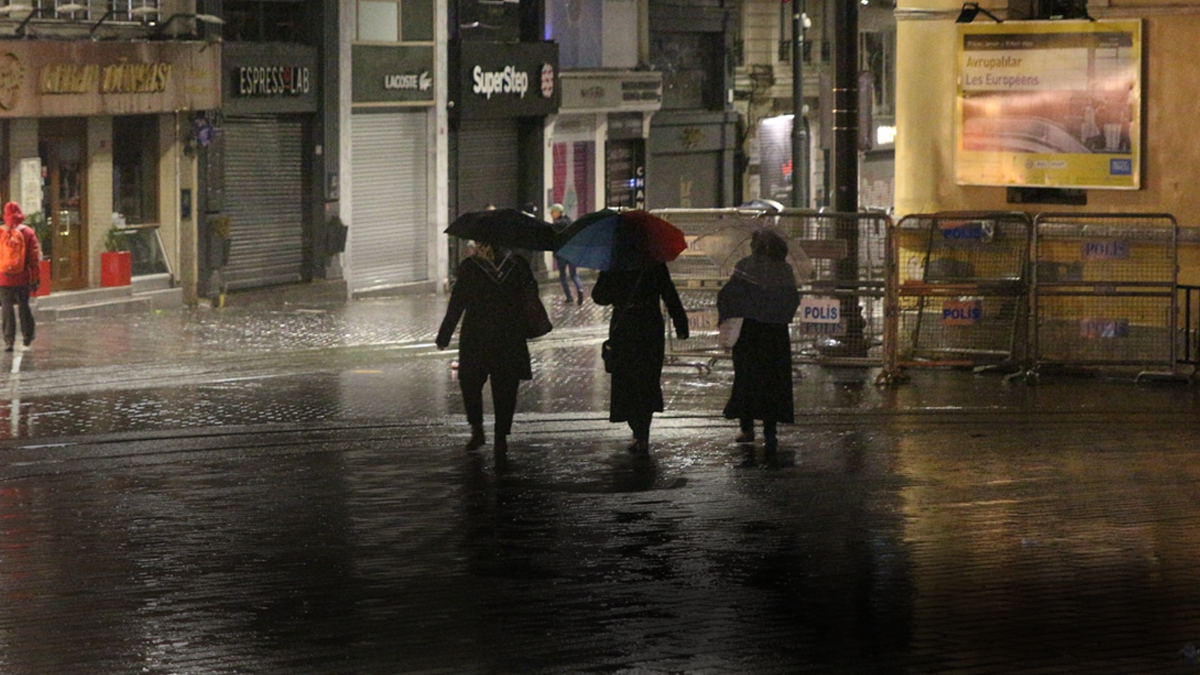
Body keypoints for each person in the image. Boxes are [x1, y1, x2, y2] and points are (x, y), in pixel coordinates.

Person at [436, 241, 540, 454]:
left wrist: (444, 334)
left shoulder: (470, 267)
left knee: (471, 383)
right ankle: (500, 436)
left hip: (477, 335)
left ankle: (478, 429)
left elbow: (457, 302)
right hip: (509, 335)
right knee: (506, 388)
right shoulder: (518, 265)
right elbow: (531, 295)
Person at [592, 244, 689, 454]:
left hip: (624, 327)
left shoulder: (614, 262)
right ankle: (642, 430)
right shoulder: (654, 261)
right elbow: (668, 292)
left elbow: (599, 297)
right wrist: (681, 324)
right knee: (647, 378)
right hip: (650, 326)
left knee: (627, 378)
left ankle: (637, 429)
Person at [717, 228, 799, 452]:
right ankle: (770, 431)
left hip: (749, 333)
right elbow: (792, 300)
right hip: (775, 334)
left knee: (747, 378)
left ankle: (747, 427)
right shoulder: (784, 270)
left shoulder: (745, 266)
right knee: (773, 381)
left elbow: (729, 295)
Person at [0, 202, 41, 353]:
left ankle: (9, 340)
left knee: (6, 309)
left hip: (3, 278)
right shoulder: (27, 232)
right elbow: (33, 257)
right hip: (22, 277)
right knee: (24, 305)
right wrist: (35, 277)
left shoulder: (0, 232)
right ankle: (27, 335)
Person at [550, 204, 584, 304]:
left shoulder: (557, 225)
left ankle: (569, 297)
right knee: (574, 274)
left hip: (562, 253)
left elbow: (554, 240)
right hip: (572, 252)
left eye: (553, 213)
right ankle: (580, 289)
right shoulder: (570, 222)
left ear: (557, 212)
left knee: (563, 276)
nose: (552, 215)